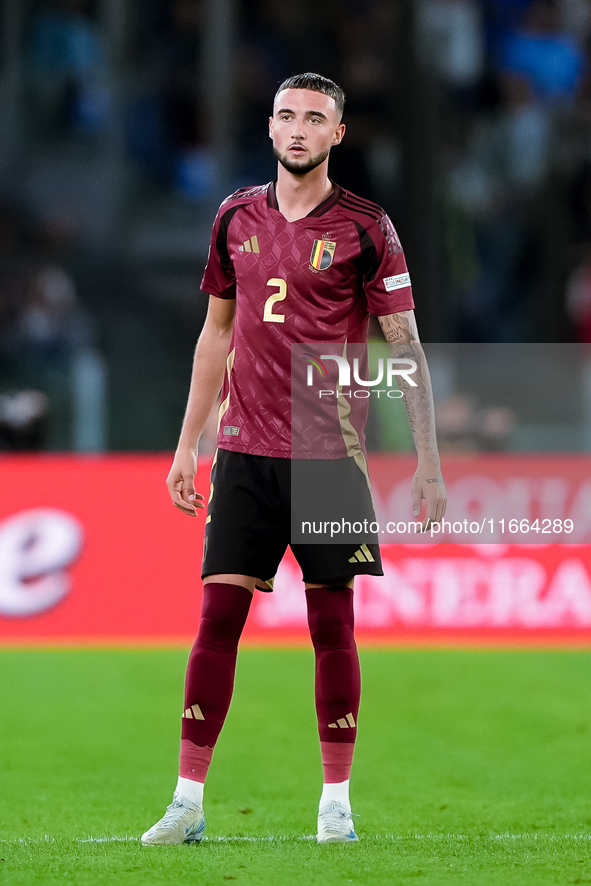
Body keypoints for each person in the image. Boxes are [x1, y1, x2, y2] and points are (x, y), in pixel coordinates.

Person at [141, 72, 447, 847]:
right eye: (286, 116)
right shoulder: (233, 216)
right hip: (242, 452)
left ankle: (334, 804)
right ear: (270, 129)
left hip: (326, 457)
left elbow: (403, 347)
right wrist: (189, 443)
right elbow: (217, 333)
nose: (299, 129)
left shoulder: (367, 227)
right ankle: (185, 802)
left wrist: (428, 461)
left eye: (315, 118)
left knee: (330, 625)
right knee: (216, 620)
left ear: (338, 134)